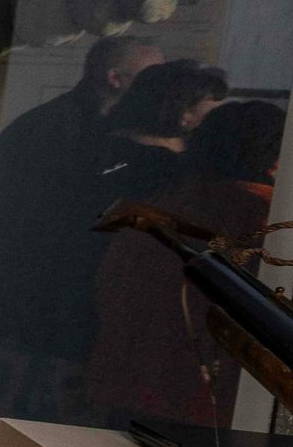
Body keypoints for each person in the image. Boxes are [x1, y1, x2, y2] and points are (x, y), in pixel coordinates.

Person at [86, 97, 286, 426]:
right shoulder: (267, 221)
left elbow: (110, 296)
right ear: (277, 161)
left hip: (125, 394)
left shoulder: (156, 209)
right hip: (208, 413)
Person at [91, 58, 228, 209]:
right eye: (214, 110)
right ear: (183, 112)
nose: (223, 115)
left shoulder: (100, 143)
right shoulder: (170, 167)